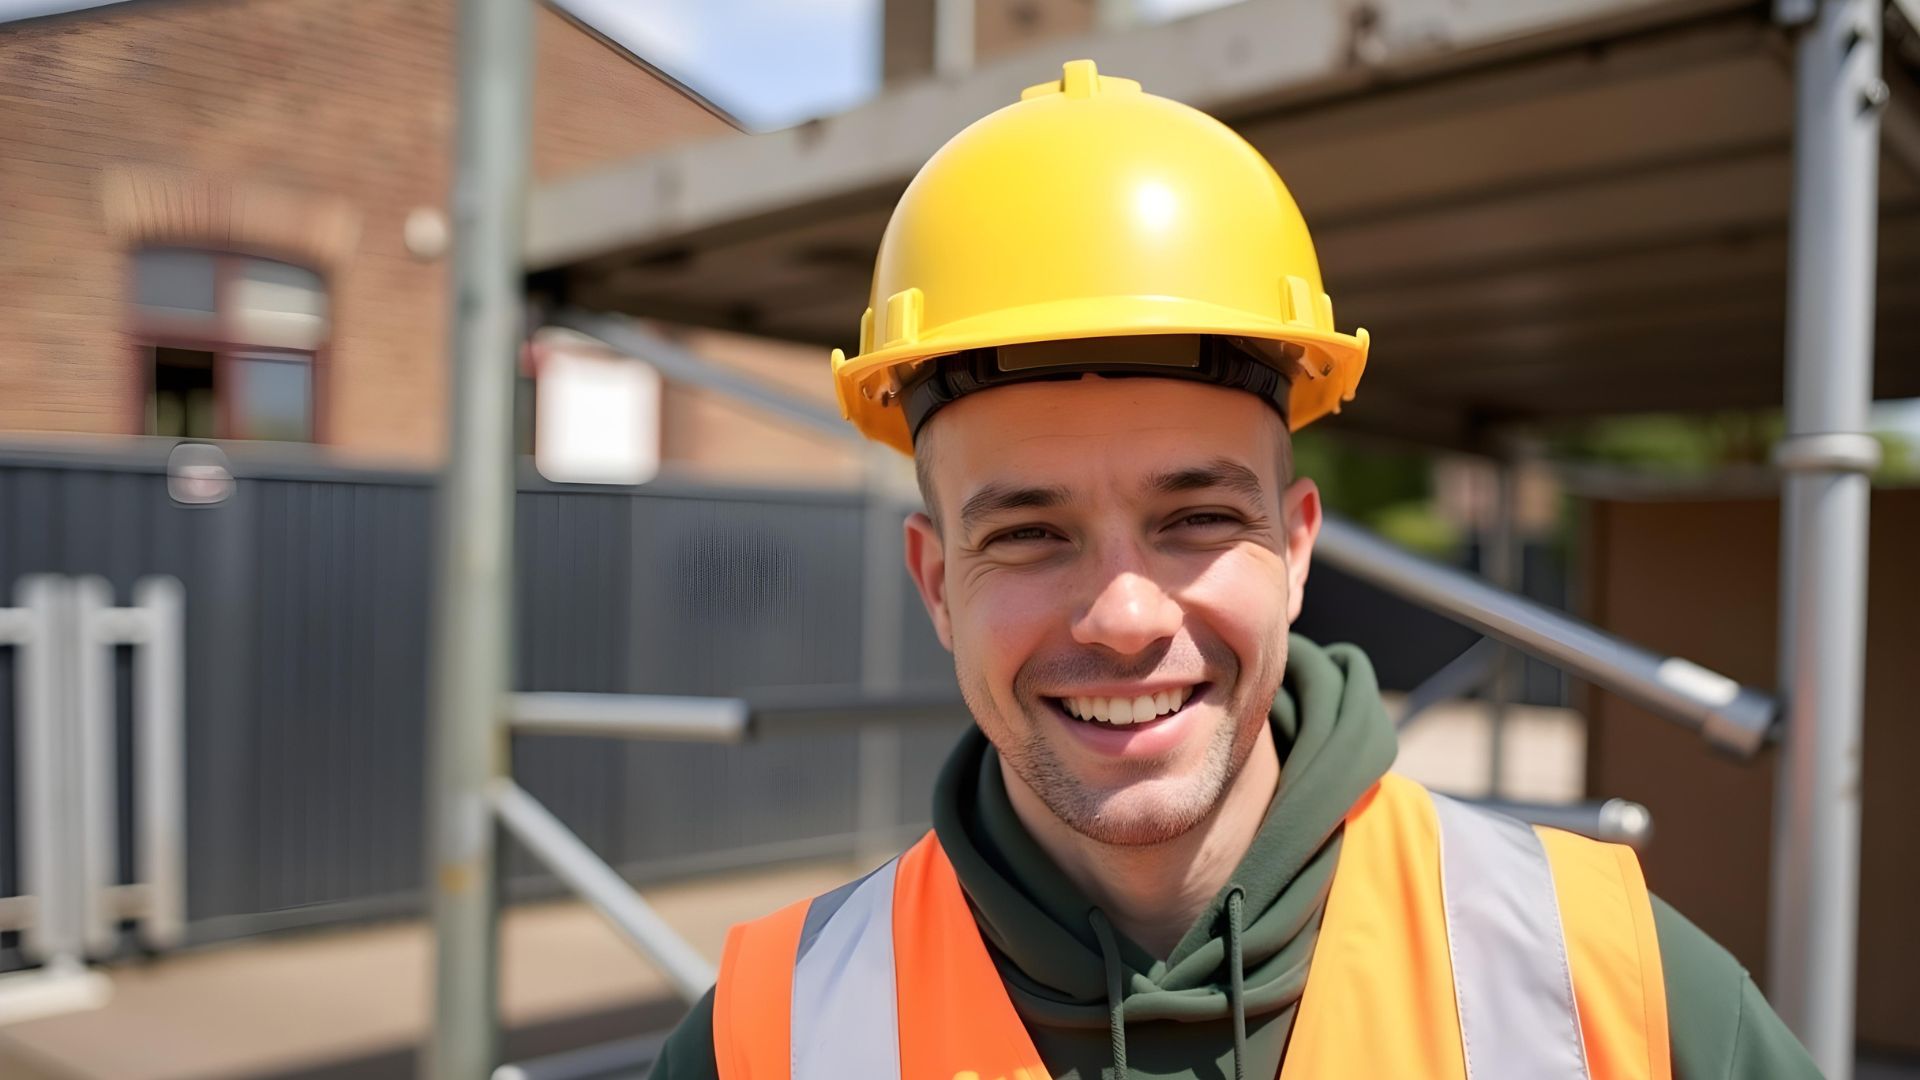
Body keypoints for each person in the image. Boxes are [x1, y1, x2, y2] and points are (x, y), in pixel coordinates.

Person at [650, 59, 1819, 1080]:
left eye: (1197, 518)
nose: (1122, 615)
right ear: (934, 583)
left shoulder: (1607, 985)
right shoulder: (770, 1040)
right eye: (1028, 532)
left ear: (1298, 547)